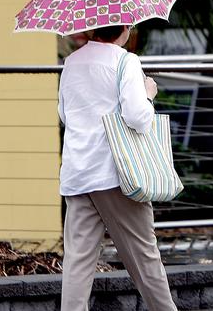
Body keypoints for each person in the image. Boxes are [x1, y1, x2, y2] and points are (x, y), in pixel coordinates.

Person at [58, 24, 177, 311]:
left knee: (77, 263)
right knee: (144, 258)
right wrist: (148, 94)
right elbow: (137, 117)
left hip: (78, 172)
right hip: (117, 173)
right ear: (124, 28)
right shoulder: (126, 61)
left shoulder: (71, 62)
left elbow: (64, 113)